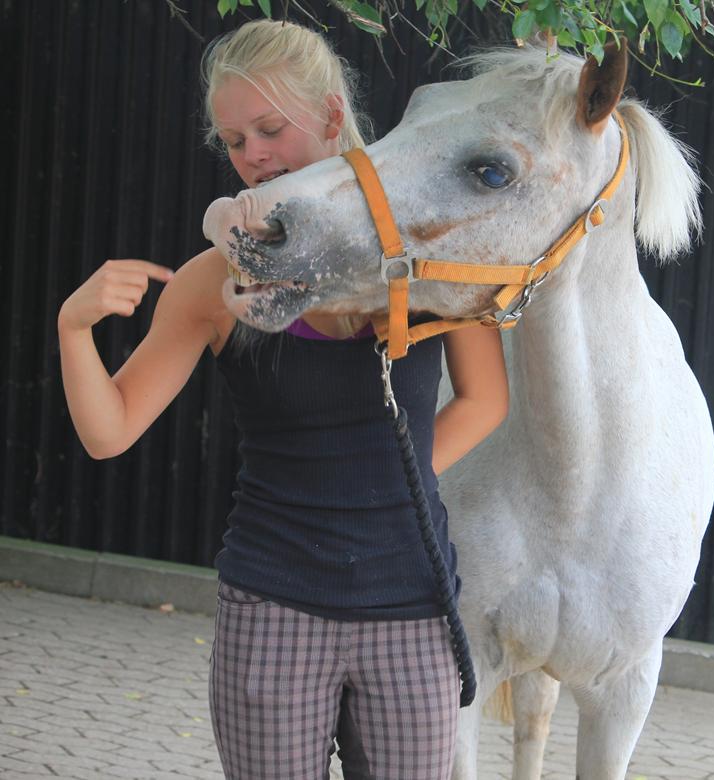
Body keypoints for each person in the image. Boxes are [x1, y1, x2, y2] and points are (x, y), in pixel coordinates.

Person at [56, 18, 508, 780]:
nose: (253, 156)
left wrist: (390, 480)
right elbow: (111, 431)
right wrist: (73, 328)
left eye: (269, 129)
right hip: (273, 609)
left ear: (331, 116)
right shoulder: (216, 280)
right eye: (235, 141)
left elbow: (486, 399)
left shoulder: (425, 250)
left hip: (411, 609)